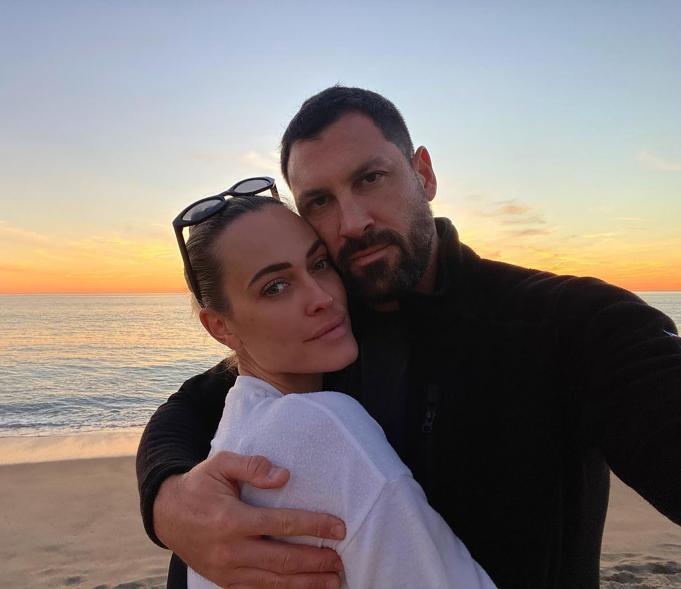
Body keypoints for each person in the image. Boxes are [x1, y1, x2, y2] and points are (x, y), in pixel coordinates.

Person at [137, 87, 681, 589]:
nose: (352, 222)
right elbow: (192, 405)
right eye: (320, 201)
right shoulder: (328, 330)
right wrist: (168, 497)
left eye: (370, 178)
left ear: (423, 173)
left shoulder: (567, 320)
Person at [171, 180, 496, 589]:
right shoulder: (320, 425)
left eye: (320, 264)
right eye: (275, 287)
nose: (321, 296)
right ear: (220, 327)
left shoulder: (233, 435)